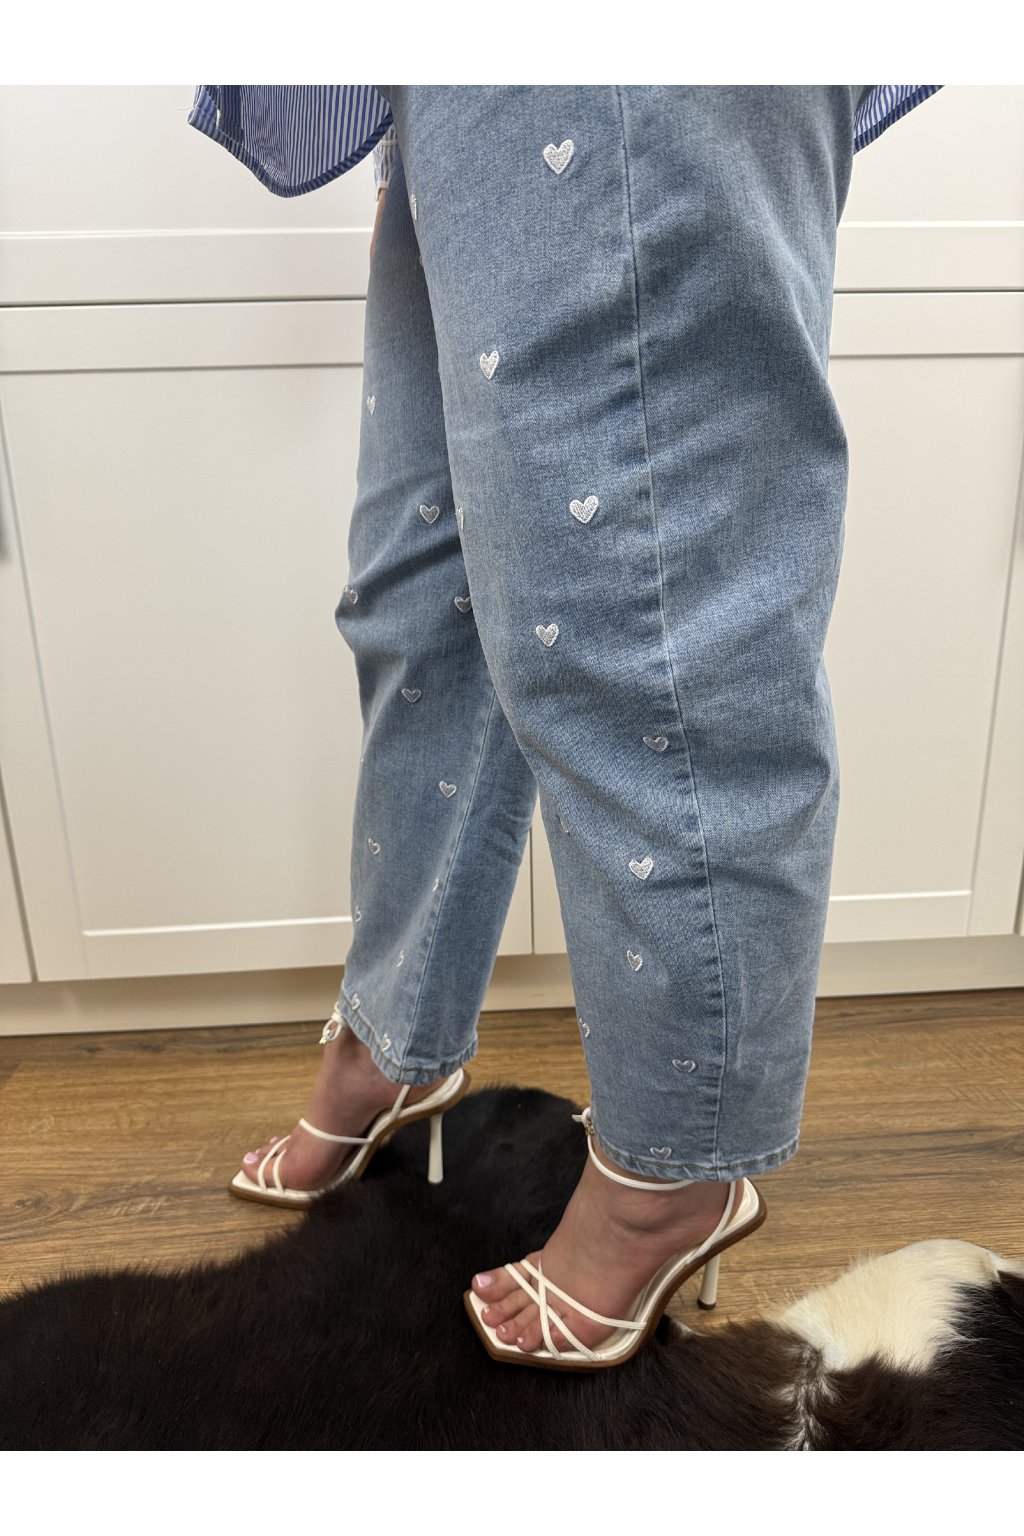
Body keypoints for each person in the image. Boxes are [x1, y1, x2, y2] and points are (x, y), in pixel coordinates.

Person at [189, 84, 943, 1370]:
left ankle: (671, 1170)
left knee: (650, 631)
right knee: (423, 597)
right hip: (445, 88)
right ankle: (393, 1038)